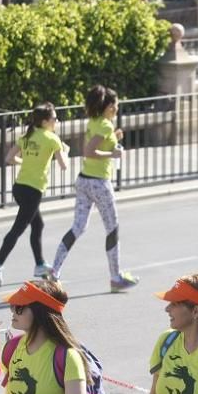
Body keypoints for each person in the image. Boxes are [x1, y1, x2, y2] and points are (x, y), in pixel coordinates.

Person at [51, 84, 138, 292]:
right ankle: (115, 277)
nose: (117, 108)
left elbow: (93, 144)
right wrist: (113, 154)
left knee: (78, 227)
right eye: (115, 105)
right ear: (108, 106)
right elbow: (89, 151)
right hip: (99, 182)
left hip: (83, 180)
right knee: (112, 228)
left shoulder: (95, 122)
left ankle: (54, 272)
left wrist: (113, 140)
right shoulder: (106, 125)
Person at [0, 103, 69, 286]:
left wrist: (25, 162)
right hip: (33, 189)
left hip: (19, 187)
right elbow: (64, 166)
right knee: (18, 228)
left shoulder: (26, 136)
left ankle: (39, 263)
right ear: (46, 121)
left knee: (38, 224)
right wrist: (66, 152)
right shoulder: (52, 139)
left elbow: (9, 158)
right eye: (55, 118)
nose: (57, 121)